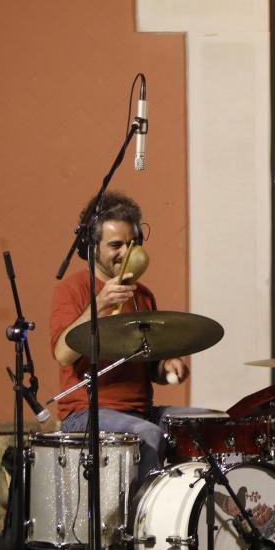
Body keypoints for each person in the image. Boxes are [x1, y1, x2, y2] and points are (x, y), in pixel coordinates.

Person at [50, 191, 193, 477]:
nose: (126, 253)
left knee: (203, 426)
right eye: (115, 245)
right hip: (84, 415)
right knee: (147, 435)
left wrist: (168, 367)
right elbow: (63, 354)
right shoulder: (73, 289)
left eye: (133, 243)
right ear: (92, 247)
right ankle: (143, 518)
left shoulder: (143, 295)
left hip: (140, 411)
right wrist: (99, 305)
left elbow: (152, 365)